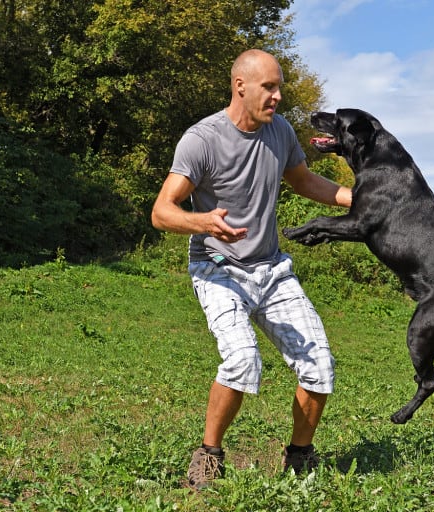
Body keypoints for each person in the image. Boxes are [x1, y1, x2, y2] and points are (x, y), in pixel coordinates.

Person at [151, 49, 352, 489]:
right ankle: (208, 456)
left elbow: (303, 181)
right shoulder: (201, 139)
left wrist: (357, 200)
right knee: (243, 360)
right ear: (240, 86)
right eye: (269, 87)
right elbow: (162, 212)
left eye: (279, 87)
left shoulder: (279, 132)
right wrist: (202, 221)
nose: (278, 96)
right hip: (218, 268)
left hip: (272, 269)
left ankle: (299, 457)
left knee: (319, 365)